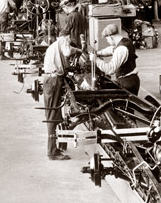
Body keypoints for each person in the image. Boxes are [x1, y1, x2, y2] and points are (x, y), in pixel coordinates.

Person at [43, 29, 80, 160]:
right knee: (52, 117)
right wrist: (78, 51)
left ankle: (54, 148)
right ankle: (52, 152)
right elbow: (68, 51)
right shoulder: (63, 41)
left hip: (50, 80)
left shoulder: (53, 45)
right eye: (70, 40)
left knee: (54, 115)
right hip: (53, 81)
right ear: (67, 37)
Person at [89, 23, 140, 95]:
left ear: (110, 37)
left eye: (107, 39)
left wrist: (96, 60)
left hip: (127, 83)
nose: (107, 41)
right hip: (130, 79)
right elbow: (111, 50)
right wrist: (97, 53)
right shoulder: (125, 41)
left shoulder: (121, 49)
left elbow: (110, 69)